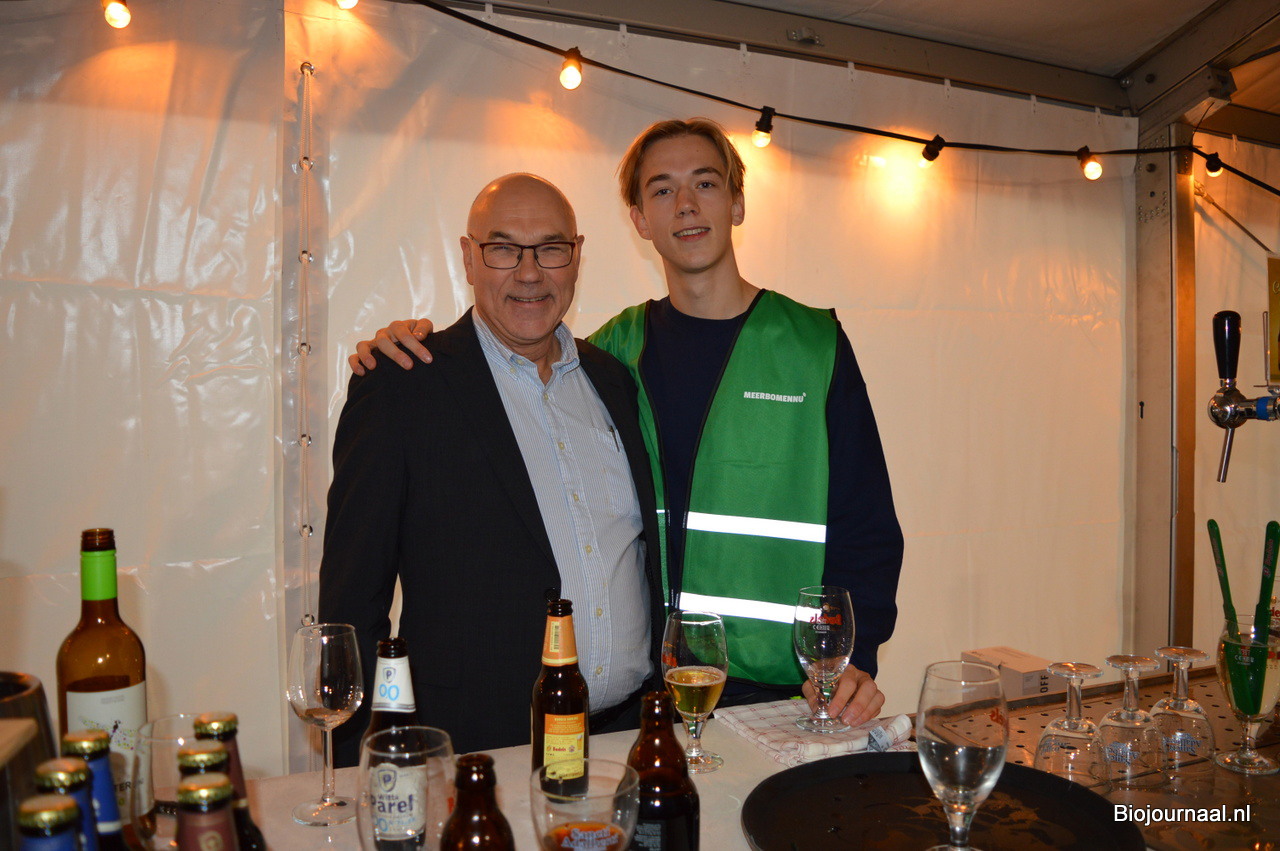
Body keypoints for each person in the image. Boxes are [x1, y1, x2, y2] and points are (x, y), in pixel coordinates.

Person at [350, 119, 903, 726]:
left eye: (705, 183)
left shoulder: (812, 346)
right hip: (658, 699)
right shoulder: (612, 357)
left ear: (738, 202)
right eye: (662, 190)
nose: (685, 205)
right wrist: (395, 346)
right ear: (639, 219)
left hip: (790, 691)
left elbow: (866, 525)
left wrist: (853, 657)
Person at [320, 173, 664, 765]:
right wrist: (368, 769)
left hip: (626, 738)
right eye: (503, 249)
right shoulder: (402, 386)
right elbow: (352, 605)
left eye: (550, 248)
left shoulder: (613, 382)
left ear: (577, 256)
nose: (529, 273)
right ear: (468, 257)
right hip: (478, 751)